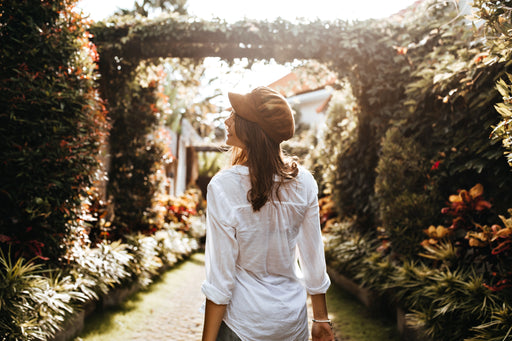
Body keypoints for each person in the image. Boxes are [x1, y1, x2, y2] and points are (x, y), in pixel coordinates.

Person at [201, 86, 335, 341]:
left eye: (235, 115)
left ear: (252, 129)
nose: (227, 120)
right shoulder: (304, 182)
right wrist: (320, 319)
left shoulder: (223, 186)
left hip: (243, 325)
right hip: (291, 324)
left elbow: (220, 281)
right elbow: (313, 257)